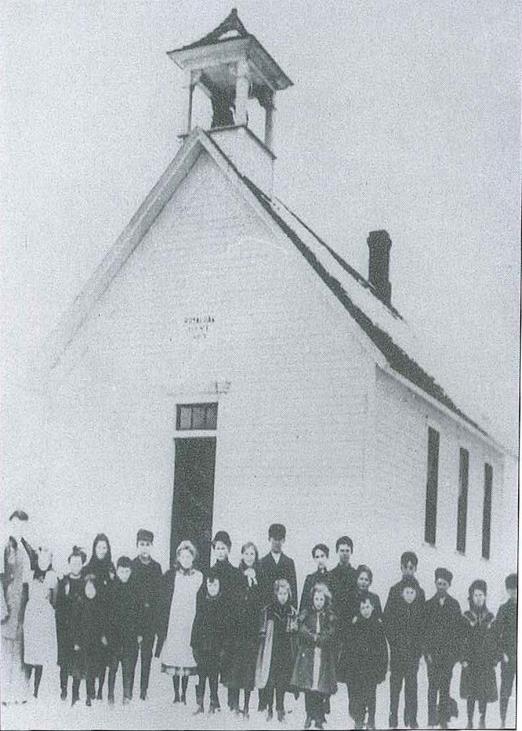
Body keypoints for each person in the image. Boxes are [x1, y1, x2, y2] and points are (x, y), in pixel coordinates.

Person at [155, 540, 203, 704]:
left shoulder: (198, 576)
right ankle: (176, 694)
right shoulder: (171, 575)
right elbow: (164, 599)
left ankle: (185, 693)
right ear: (178, 558)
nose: (186, 559)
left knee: (186, 657)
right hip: (175, 621)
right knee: (175, 656)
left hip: (190, 622)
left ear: (193, 557)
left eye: (188, 556)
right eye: (183, 556)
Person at [258, 523, 299, 712]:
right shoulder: (262, 562)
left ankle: (280, 704)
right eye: (273, 538)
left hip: (284, 622)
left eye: (280, 538)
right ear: (269, 539)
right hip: (269, 620)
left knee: (282, 663)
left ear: (284, 540)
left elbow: (294, 592)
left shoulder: (288, 562)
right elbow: (260, 592)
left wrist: (293, 615)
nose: (276, 542)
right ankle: (265, 702)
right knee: (267, 661)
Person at [222, 541, 263, 718]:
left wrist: (254, 582)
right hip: (237, 629)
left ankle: (246, 706)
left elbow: (262, 600)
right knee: (236, 668)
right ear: (242, 556)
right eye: (246, 554)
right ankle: (236, 704)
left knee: (248, 668)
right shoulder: (235, 574)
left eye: (252, 554)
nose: (249, 557)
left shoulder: (261, 575)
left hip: (252, 630)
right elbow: (231, 600)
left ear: (256, 557)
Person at [1, 510, 36, 706]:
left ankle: (20, 692)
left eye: (22, 524)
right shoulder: (5, 548)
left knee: (21, 651)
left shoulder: (27, 548)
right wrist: (1, 608)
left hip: (24, 607)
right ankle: (4, 693)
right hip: (9, 606)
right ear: (10, 525)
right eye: (15, 524)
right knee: (6, 651)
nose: (19, 528)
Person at [291, 583, 337, 730]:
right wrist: (312, 637)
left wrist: (321, 638)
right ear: (312, 599)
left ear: (325, 600)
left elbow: (331, 631)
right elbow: (301, 627)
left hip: (322, 655)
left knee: (319, 686)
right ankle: (309, 714)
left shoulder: (329, 615)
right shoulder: (306, 613)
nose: (318, 602)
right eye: (316, 599)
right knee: (308, 686)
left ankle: (318, 715)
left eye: (321, 599)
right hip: (309, 654)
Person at [423, 567, 462, 730]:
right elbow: (423, 631)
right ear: (435, 583)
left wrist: (454, 656)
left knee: (445, 688)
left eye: (444, 584)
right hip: (432, 655)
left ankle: (443, 718)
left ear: (449, 585)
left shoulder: (454, 605)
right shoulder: (428, 605)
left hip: (448, 656)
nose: (441, 587)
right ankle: (431, 719)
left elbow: (459, 632)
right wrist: (426, 653)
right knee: (432, 687)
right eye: (438, 583)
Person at [255, 578, 299, 723]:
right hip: (271, 650)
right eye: (280, 593)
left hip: (285, 651)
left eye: (285, 594)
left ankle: (280, 708)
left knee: (282, 680)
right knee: (270, 680)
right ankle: (269, 708)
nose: (283, 597)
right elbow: (262, 631)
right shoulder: (268, 610)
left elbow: (295, 632)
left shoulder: (291, 612)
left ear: (289, 594)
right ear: (275, 594)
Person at [384, 576, 424, 729]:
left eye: (412, 592)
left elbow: (422, 631)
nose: (409, 595)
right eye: (407, 592)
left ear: (416, 594)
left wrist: (418, 649)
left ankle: (412, 717)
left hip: (413, 655)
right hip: (398, 655)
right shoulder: (396, 610)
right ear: (402, 593)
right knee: (395, 687)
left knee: (412, 687)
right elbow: (387, 624)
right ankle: (393, 716)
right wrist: (395, 643)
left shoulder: (419, 611)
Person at [343, 593, 388, 730]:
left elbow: (383, 650)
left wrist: (382, 669)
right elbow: (350, 648)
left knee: (371, 695)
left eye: (368, 607)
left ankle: (372, 720)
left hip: (372, 669)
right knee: (358, 695)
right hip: (358, 669)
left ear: (373, 607)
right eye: (363, 608)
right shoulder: (355, 626)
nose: (366, 610)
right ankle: (359, 719)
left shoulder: (378, 626)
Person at [209, 530, 242, 710]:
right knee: (213, 662)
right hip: (214, 625)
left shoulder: (235, 573)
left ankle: (233, 701)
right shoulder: (210, 571)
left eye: (223, 548)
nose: (220, 551)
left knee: (231, 663)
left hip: (231, 625)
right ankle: (214, 699)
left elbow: (238, 601)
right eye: (217, 548)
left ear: (229, 549)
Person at [460, 580, 499, 729]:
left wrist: (495, 659)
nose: (478, 598)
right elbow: (460, 639)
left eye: (481, 595)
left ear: (485, 596)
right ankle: (469, 720)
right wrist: (463, 659)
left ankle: (482, 719)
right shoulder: (466, 616)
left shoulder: (490, 617)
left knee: (483, 692)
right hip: (470, 661)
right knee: (471, 693)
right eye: (475, 595)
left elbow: (495, 639)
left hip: (485, 661)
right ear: (471, 596)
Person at [130, 528, 162, 701]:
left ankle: (144, 690)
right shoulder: (132, 565)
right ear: (137, 545)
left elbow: (159, 596)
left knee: (146, 657)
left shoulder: (156, 568)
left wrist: (156, 622)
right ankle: (130, 689)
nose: (144, 548)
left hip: (149, 620)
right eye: (141, 544)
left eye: (147, 545)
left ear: (152, 546)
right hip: (135, 619)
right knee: (132, 656)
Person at [83, 533, 115, 701]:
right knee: (90, 656)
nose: (102, 550)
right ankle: (90, 692)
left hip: (107, 620)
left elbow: (114, 591)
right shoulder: (88, 568)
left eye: (104, 547)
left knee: (104, 657)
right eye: (99, 547)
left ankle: (101, 690)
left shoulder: (111, 568)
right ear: (94, 548)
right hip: (91, 620)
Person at [191, 569, 228, 714]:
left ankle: (213, 701)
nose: (212, 588)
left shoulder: (222, 605)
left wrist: (223, 648)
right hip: (202, 647)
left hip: (216, 648)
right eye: (210, 585)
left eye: (215, 585)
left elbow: (225, 628)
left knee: (213, 675)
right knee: (201, 676)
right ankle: (200, 703)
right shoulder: (202, 602)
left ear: (219, 586)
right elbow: (196, 624)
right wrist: (194, 645)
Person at [23, 547, 58, 699]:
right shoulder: (30, 575)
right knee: (30, 651)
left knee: (40, 654)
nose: (43, 562)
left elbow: (54, 599)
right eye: (41, 559)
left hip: (44, 617)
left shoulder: (51, 576)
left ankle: (36, 690)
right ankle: (26, 685)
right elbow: (25, 595)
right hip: (31, 616)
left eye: (47, 559)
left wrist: (48, 609)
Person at [107, 556, 142, 704]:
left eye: (127, 571)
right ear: (116, 571)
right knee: (113, 667)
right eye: (122, 571)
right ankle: (110, 695)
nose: (124, 574)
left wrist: (140, 633)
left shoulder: (135, 589)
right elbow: (106, 615)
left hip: (130, 637)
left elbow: (141, 613)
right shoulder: (111, 588)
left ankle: (127, 696)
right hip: (114, 637)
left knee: (129, 668)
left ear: (131, 571)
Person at [55, 546, 87, 703]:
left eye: (79, 563)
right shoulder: (63, 581)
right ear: (69, 564)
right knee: (64, 662)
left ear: (82, 564)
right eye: (73, 563)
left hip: (80, 628)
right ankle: (63, 690)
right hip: (65, 629)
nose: (76, 566)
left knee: (78, 662)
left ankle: (75, 692)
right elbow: (58, 606)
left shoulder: (85, 581)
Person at [77, 574, 110, 707]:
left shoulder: (101, 603)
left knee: (101, 666)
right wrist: (78, 641)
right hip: (86, 641)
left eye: (92, 588)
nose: (90, 591)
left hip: (99, 640)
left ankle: (100, 690)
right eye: (87, 588)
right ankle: (89, 694)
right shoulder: (81, 603)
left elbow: (105, 622)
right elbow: (77, 624)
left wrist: (104, 636)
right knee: (88, 667)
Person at [496, 573, 517, 728]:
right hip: (508, 657)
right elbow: (497, 634)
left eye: (517, 588)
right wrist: (502, 653)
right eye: (511, 589)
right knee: (505, 690)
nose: (515, 592)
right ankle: (503, 720)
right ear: (508, 590)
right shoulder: (503, 609)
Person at [328, 536, 357, 615]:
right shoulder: (330, 575)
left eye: (347, 551)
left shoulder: (356, 575)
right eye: (342, 550)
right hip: (335, 620)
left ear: (351, 552)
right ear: (337, 551)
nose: (344, 553)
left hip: (352, 620)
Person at [299, 544, 330, 613]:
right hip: (311, 617)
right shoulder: (310, 579)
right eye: (317, 557)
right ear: (314, 559)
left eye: (322, 556)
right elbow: (304, 603)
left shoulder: (333, 578)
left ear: (327, 557)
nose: (320, 560)